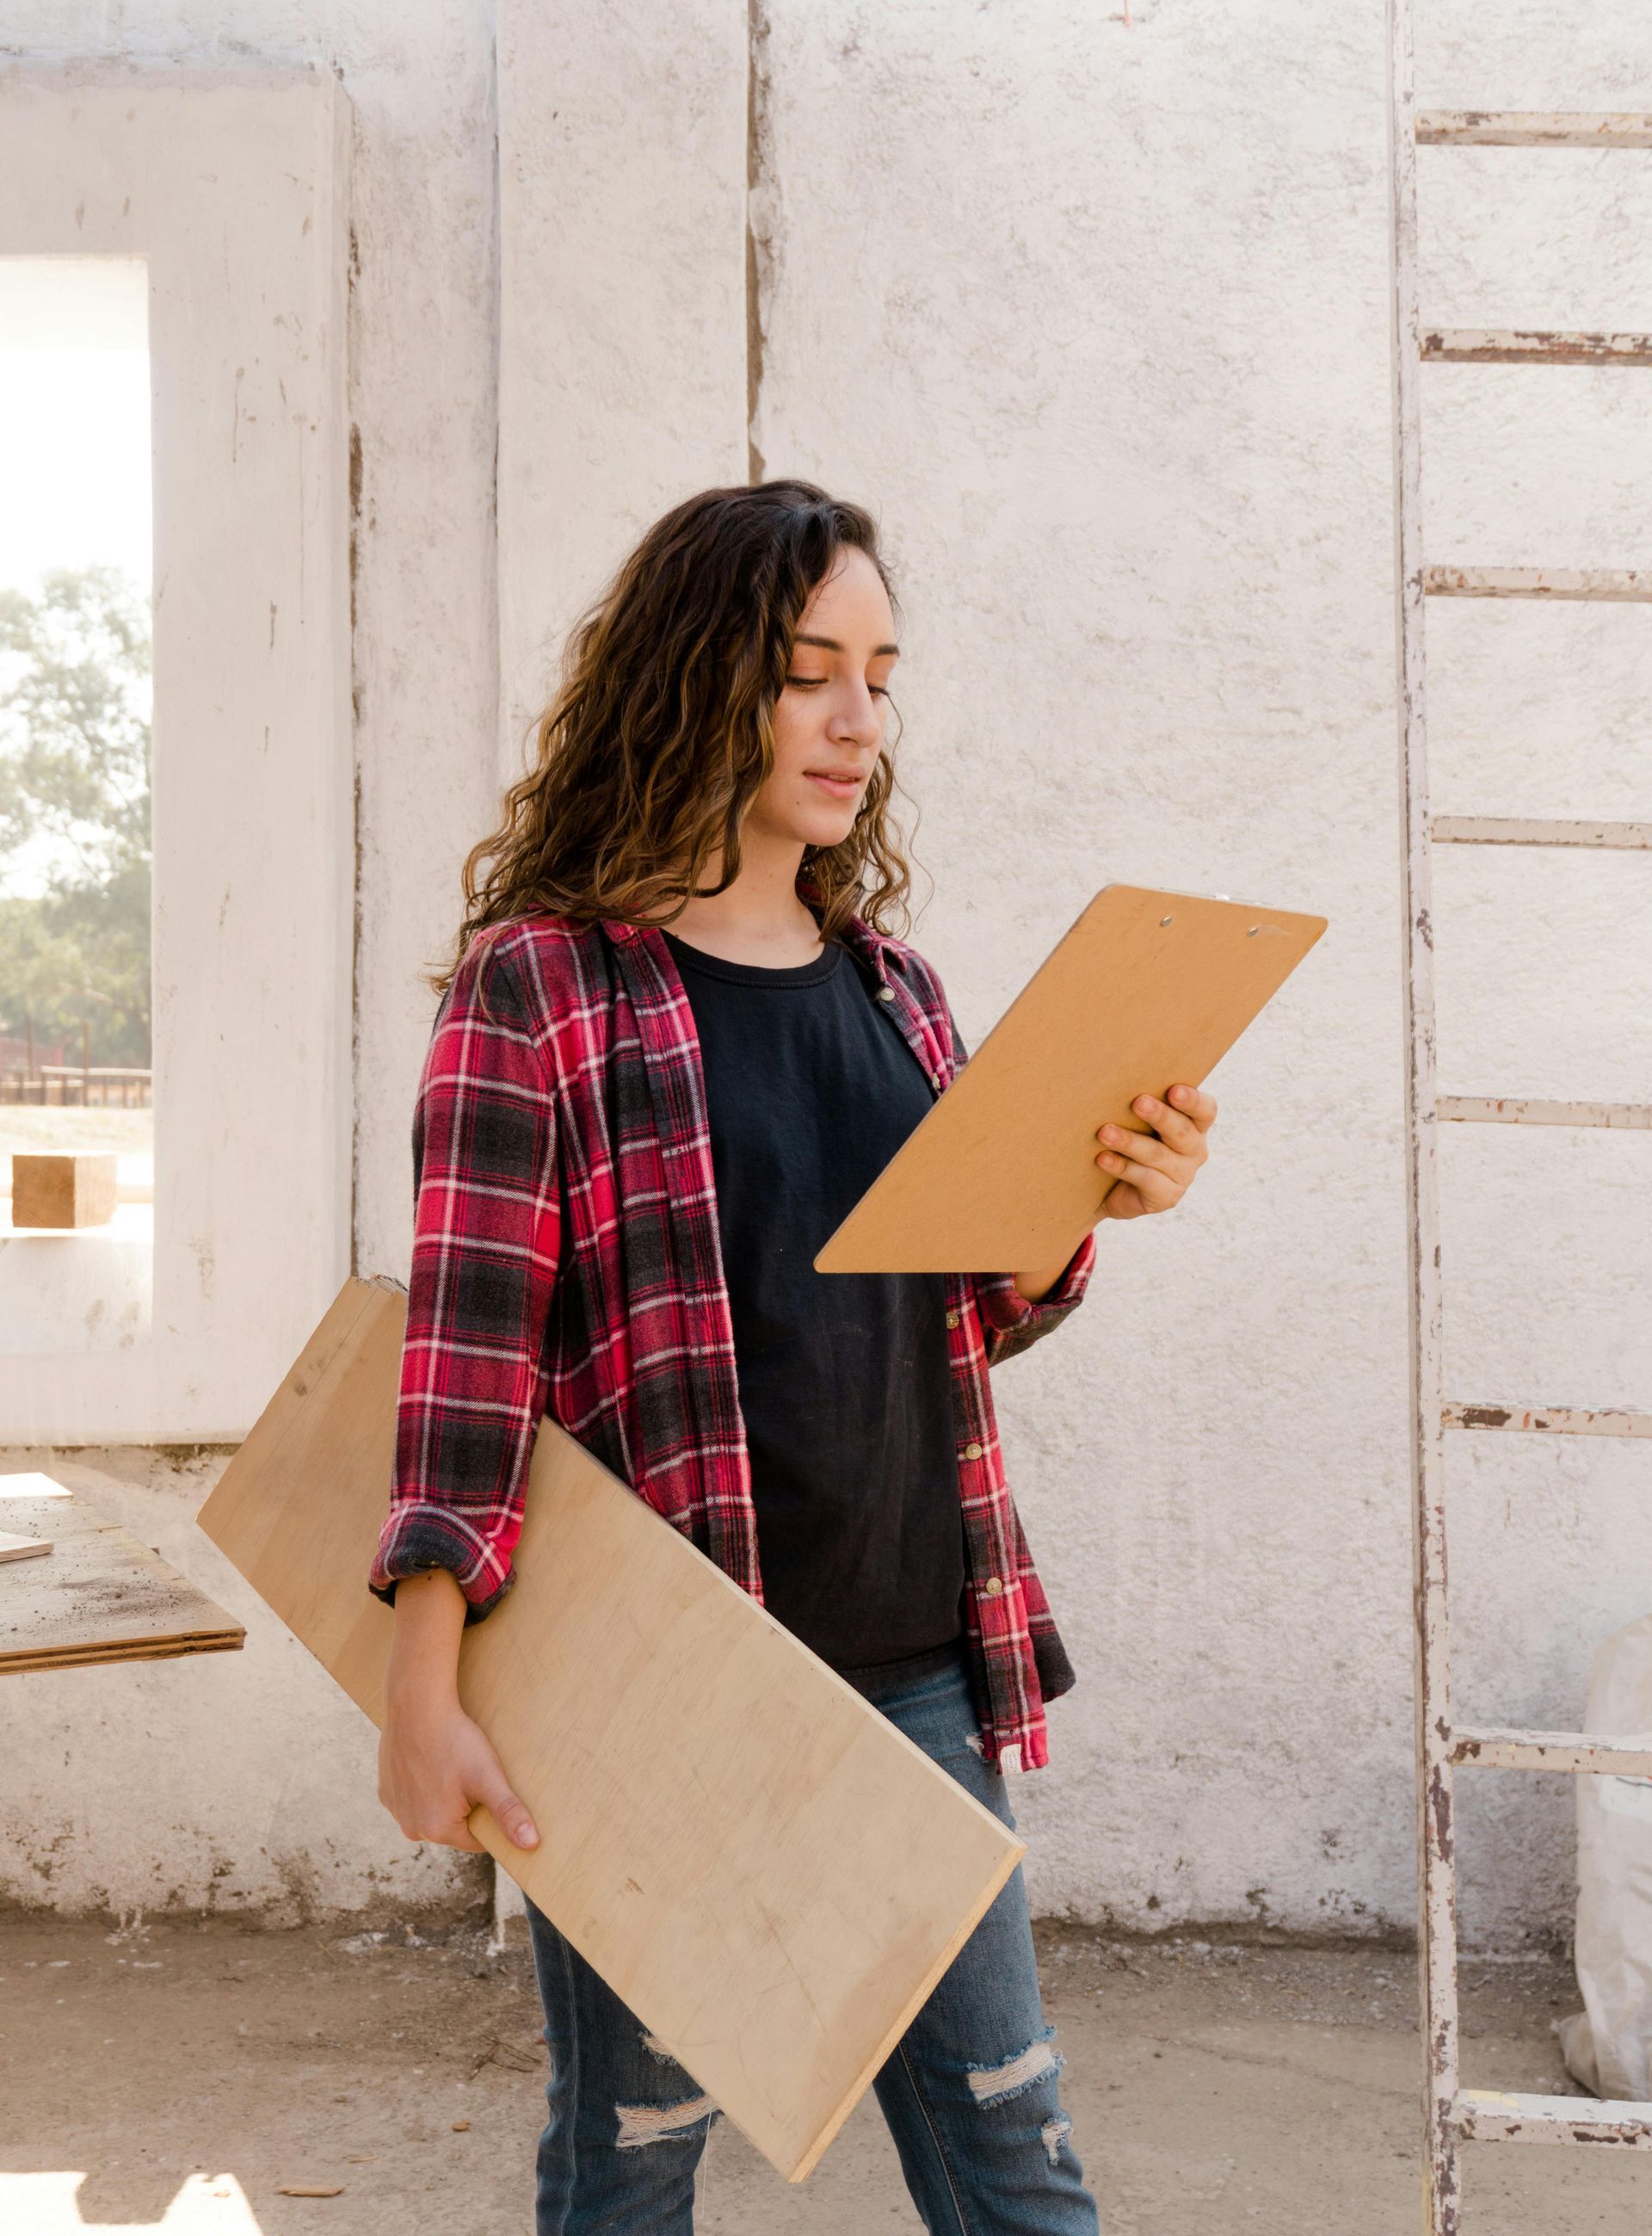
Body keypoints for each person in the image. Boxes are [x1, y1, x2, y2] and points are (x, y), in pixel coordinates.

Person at [369, 480, 1216, 2234]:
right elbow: (466, 1365)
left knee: (1017, 2166)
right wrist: (424, 1691)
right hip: (671, 1685)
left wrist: (1089, 1207)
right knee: (635, 2166)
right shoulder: (542, 987)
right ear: (700, 679)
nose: (858, 722)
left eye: (881, 677)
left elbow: (967, 1312)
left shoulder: (896, 986)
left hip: (917, 1661)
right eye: (807, 671)